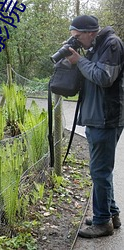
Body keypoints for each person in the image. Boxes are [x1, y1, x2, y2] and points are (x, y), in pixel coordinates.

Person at [66, 15, 124, 238]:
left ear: (90, 32)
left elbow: (103, 77)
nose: (77, 41)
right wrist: (76, 60)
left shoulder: (112, 44)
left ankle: (102, 223)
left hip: (106, 118)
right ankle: (111, 214)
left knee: (99, 171)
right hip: (96, 117)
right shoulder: (95, 46)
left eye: (78, 37)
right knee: (101, 171)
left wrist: (79, 61)